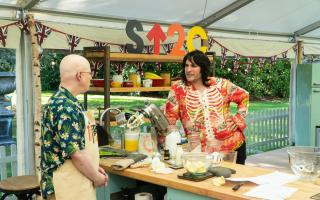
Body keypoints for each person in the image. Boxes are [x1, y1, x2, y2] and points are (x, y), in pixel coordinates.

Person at [40, 54, 108, 200]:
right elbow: (76, 154)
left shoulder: (64, 101)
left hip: (74, 180)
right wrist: (96, 177)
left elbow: (76, 145)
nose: (91, 78)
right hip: (65, 187)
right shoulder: (65, 107)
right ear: (79, 76)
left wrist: (93, 167)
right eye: (90, 73)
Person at [164, 50, 249, 164]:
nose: (188, 70)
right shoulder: (177, 89)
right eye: (186, 65)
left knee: (234, 181)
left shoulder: (222, 84)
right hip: (200, 153)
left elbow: (244, 96)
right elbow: (170, 121)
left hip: (232, 147)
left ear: (203, 68)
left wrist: (238, 119)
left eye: (193, 66)